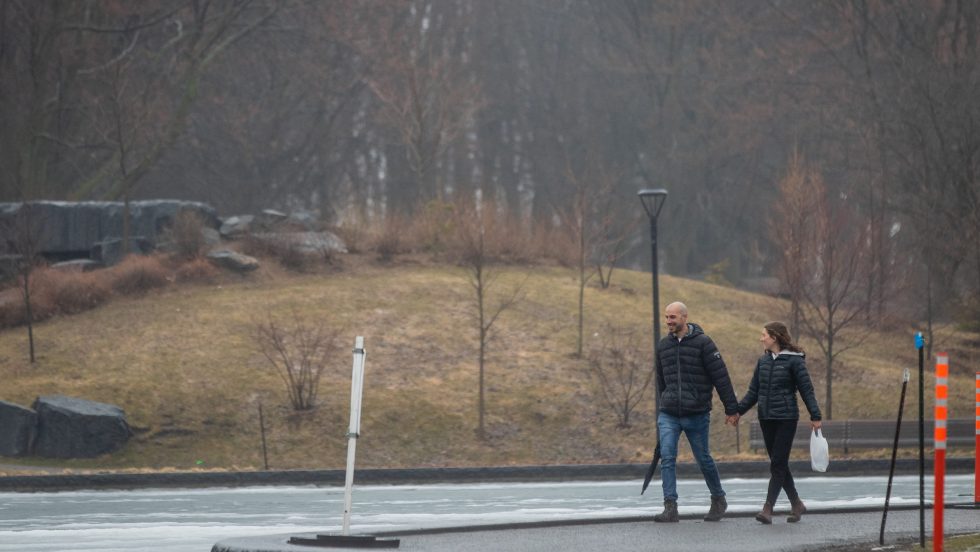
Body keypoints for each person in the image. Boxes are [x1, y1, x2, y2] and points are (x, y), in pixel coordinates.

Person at [653, 302, 740, 523]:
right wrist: (664, 405)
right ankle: (670, 507)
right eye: (666, 317)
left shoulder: (704, 343)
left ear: (684, 317)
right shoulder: (663, 346)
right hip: (669, 413)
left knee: (703, 459)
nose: (669, 321)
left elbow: (721, 377)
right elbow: (661, 381)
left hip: (697, 412)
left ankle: (719, 499)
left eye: (672, 317)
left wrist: (731, 408)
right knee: (668, 458)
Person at [733, 321, 822, 524]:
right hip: (766, 417)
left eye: (763, 334)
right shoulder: (762, 362)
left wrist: (815, 416)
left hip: (786, 418)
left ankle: (767, 509)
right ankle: (796, 503)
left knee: (778, 463)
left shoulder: (795, 361)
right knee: (778, 463)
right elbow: (753, 392)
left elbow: (807, 390)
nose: (761, 338)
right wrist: (736, 412)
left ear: (774, 337)